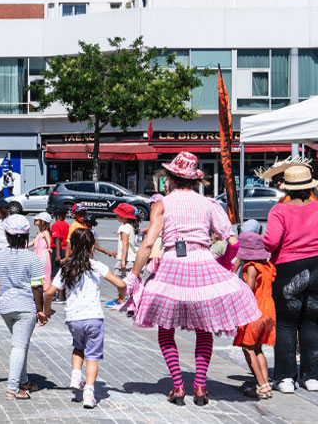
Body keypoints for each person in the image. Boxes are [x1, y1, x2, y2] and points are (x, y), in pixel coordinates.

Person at [126, 152, 261, 406]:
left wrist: (134, 276)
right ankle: (200, 387)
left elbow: (148, 243)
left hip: (171, 268)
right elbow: (232, 241)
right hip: (203, 263)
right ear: (195, 180)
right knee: (204, 328)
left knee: (166, 328)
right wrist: (222, 265)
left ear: (171, 179)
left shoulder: (163, 204)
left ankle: (178, 387)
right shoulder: (209, 204)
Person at [42, 229, 126, 409]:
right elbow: (121, 284)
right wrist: (121, 296)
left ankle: (75, 375)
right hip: (94, 318)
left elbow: (49, 292)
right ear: (91, 247)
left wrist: (46, 310)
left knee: (78, 347)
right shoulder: (97, 266)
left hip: (73, 319)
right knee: (93, 356)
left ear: (71, 247)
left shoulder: (66, 267)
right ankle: (89, 393)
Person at [0, 214, 46, 400]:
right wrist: (41, 310)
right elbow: (37, 287)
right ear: (26, 236)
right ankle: (13, 388)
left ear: (6, 235)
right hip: (26, 308)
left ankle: (24, 382)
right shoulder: (33, 259)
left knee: (20, 344)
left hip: (5, 308)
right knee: (19, 346)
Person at [263, 165, 318, 394]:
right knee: (312, 322)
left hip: (288, 268)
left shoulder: (279, 211)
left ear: (287, 188)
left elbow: (271, 242)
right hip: (317, 266)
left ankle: (285, 378)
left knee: (286, 324)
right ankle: (313, 377)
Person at [233, 231, 275, 399]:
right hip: (269, 310)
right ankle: (265, 384)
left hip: (255, 310)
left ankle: (262, 385)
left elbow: (248, 290)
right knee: (258, 348)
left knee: (247, 347)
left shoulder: (251, 267)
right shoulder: (267, 266)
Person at [106, 203, 139, 309]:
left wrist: (122, 260)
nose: (116, 216)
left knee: (120, 280)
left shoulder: (123, 228)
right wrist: (118, 252)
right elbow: (127, 245)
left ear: (123, 216)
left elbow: (125, 244)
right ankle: (126, 300)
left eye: (118, 214)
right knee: (128, 280)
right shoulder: (130, 227)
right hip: (131, 258)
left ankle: (121, 301)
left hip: (126, 259)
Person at [49, 207, 70, 302]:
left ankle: (59, 295)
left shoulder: (55, 225)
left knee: (55, 273)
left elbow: (57, 239)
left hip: (58, 250)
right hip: (65, 250)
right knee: (63, 272)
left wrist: (57, 255)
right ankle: (63, 294)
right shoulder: (66, 225)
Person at [30, 212, 53, 291]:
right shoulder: (38, 233)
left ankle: (45, 286)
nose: (34, 222)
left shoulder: (45, 233)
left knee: (44, 270)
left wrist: (49, 248)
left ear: (42, 222)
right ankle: (39, 284)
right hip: (37, 253)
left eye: (37, 220)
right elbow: (32, 243)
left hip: (43, 254)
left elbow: (49, 243)